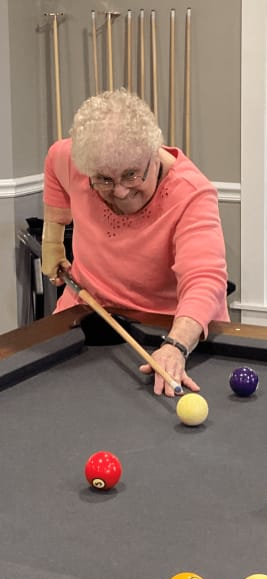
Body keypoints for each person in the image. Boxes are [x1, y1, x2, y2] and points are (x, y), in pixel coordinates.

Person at [41, 88, 229, 397]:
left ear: (154, 156)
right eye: (104, 179)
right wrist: (52, 243)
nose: (120, 192)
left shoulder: (193, 193)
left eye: (131, 175)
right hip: (88, 309)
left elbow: (204, 279)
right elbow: (54, 164)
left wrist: (176, 345)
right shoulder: (73, 159)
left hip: (169, 326)